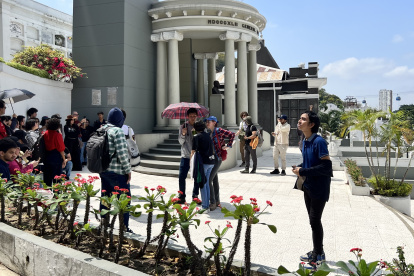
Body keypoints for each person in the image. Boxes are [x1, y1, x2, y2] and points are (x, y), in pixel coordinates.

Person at [292, 111, 332, 270]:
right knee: (312, 221)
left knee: (315, 221)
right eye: (300, 118)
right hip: (308, 186)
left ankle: (319, 258)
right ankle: (316, 251)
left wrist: (303, 171)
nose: (299, 121)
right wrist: (301, 166)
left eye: (303, 119)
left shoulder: (319, 141)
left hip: (319, 188)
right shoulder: (306, 140)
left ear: (311, 124)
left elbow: (326, 166)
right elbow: (311, 161)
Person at [99, 107, 132, 232]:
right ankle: (124, 228)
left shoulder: (102, 129)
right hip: (117, 172)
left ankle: (104, 223)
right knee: (124, 200)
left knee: (105, 197)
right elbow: (123, 154)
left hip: (103, 171)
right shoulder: (117, 131)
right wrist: (128, 171)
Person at [205, 116, 235, 210]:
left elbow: (232, 134)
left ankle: (212, 202)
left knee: (208, 180)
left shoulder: (219, 130)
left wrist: (228, 145)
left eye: (208, 122)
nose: (207, 123)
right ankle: (217, 200)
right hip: (211, 159)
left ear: (214, 122)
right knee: (214, 179)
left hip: (217, 158)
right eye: (207, 122)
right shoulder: (208, 132)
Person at [191, 120, 215, 213]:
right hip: (211, 162)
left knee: (202, 184)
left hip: (203, 163)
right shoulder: (207, 135)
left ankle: (205, 207)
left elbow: (193, 151)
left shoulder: (196, 136)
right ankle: (207, 204)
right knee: (207, 183)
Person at [177, 108, 199, 204]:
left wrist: (196, 133)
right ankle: (182, 197)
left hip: (196, 155)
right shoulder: (183, 126)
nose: (193, 118)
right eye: (191, 116)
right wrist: (183, 133)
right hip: (185, 155)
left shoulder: (199, 126)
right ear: (188, 116)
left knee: (197, 177)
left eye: (194, 116)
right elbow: (180, 142)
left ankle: (195, 196)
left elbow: (200, 141)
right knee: (182, 177)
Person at [43, 118, 66, 186]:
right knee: (57, 177)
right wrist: (64, 159)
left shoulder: (45, 133)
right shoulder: (57, 135)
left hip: (47, 156)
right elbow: (61, 148)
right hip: (55, 156)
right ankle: (57, 195)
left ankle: (47, 193)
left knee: (47, 177)